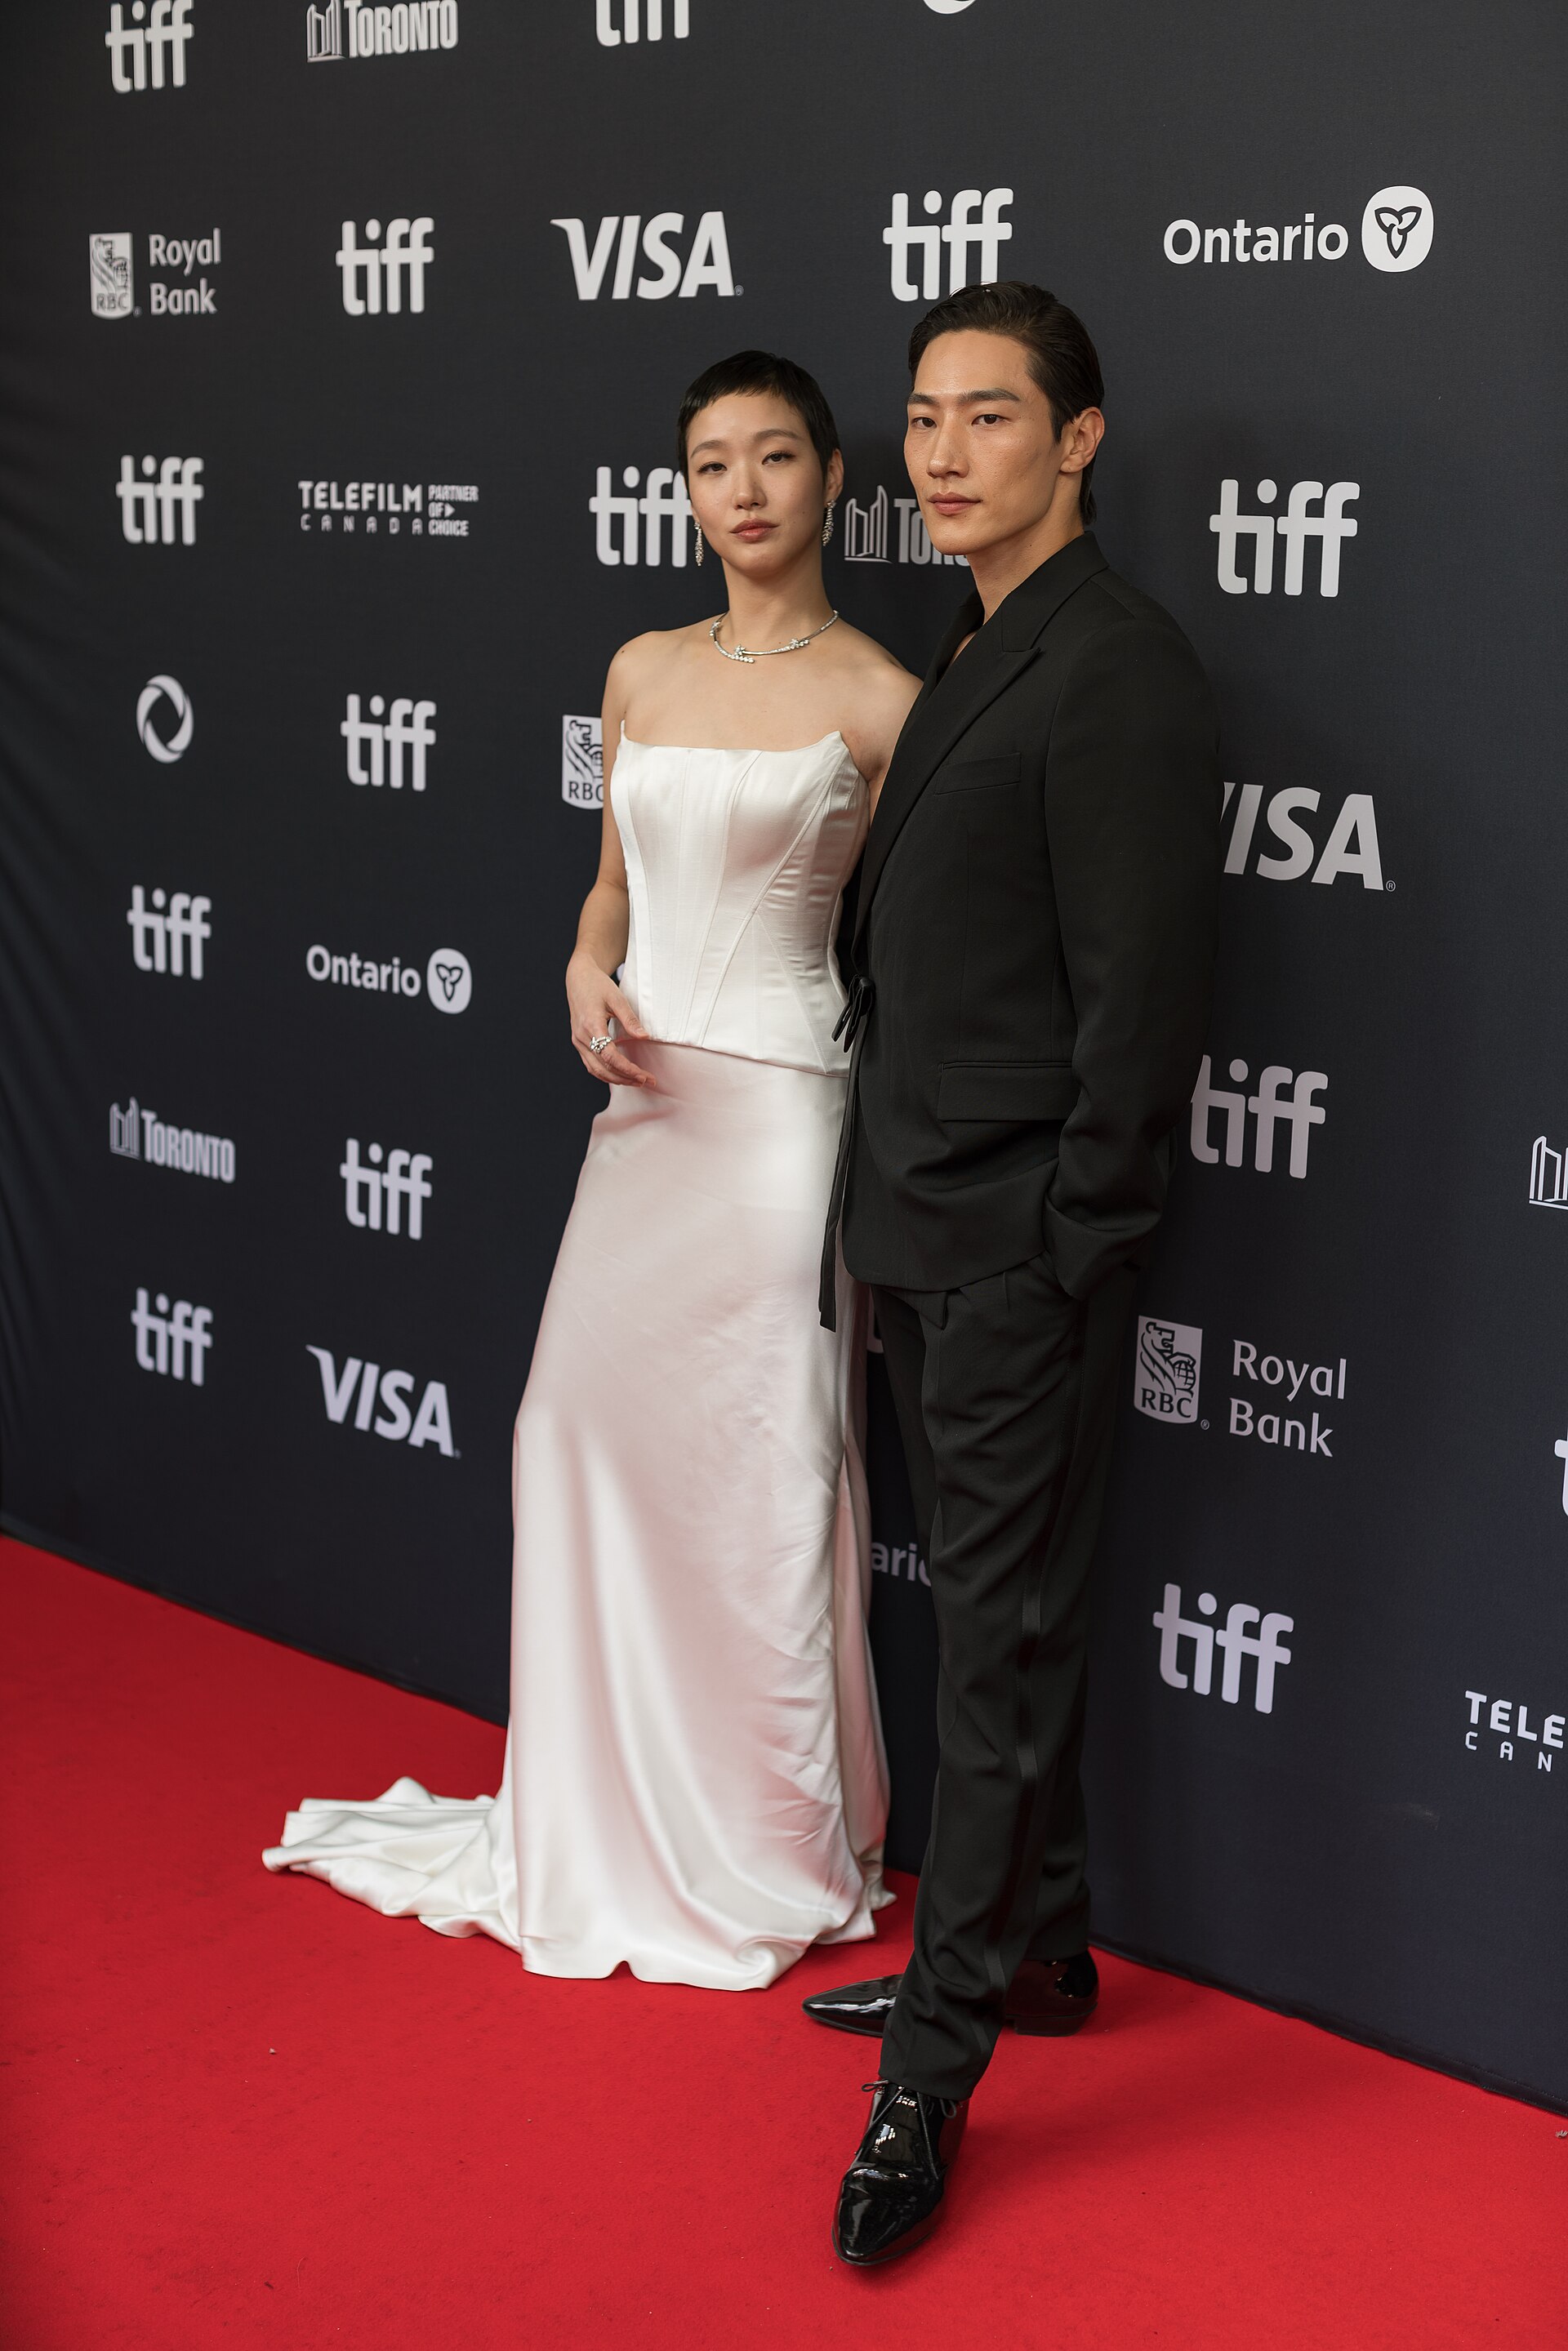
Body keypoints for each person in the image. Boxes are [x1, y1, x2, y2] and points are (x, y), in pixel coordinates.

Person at [265, 352, 920, 1991]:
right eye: (714, 463)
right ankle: (599, 1812)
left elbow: (928, 947)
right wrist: (580, 969)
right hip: (645, 1113)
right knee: (573, 1428)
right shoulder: (638, 669)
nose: (747, 489)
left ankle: (762, 1834)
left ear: (835, 482)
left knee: (764, 1472)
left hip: (780, 1114)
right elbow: (609, 889)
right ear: (682, 490)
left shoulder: (885, 698)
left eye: (778, 457)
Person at [806, 283, 1222, 2263]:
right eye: (924, 417)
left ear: (1081, 442)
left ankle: (933, 2079)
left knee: (992, 1657)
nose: (943, 450)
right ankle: (1037, 1961)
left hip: (1013, 1259)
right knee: (1007, 1633)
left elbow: (1140, 1020)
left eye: (990, 416)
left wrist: (1068, 1256)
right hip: (921, 1225)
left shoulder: (1117, 666)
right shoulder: (982, 638)